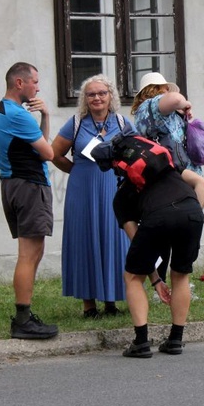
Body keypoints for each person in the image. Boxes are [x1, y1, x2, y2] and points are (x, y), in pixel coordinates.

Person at [51, 75, 133, 319]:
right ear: (85, 99)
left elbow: (136, 152)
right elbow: (55, 154)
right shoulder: (75, 123)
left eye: (102, 93)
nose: (97, 98)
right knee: (84, 239)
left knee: (114, 239)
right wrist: (75, 171)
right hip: (82, 190)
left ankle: (111, 301)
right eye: (91, 94)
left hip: (114, 188)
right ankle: (88, 305)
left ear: (111, 96)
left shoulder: (122, 122)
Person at [0, 62, 58, 340]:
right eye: (34, 82)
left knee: (33, 253)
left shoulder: (4, 110)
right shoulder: (17, 115)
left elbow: (40, 147)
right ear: (19, 83)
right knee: (29, 255)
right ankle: (22, 320)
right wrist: (43, 117)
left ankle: (25, 316)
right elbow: (49, 153)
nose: (38, 87)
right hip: (28, 186)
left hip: (15, 185)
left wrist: (45, 115)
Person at [112, 170, 204, 358]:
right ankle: (175, 340)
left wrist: (155, 280)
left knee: (132, 276)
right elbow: (203, 183)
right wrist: (194, 215)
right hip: (192, 212)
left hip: (158, 217)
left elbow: (138, 244)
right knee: (180, 275)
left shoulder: (121, 197)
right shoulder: (167, 167)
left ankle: (141, 342)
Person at [131, 72, 204, 283]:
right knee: (180, 226)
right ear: (159, 90)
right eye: (166, 88)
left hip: (172, 174)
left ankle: (168, 281)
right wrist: (184, 102)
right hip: (173, 174)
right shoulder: (152, 106)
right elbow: (175, 99)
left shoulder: (154, 112)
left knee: (170, 234)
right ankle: (195, 219)